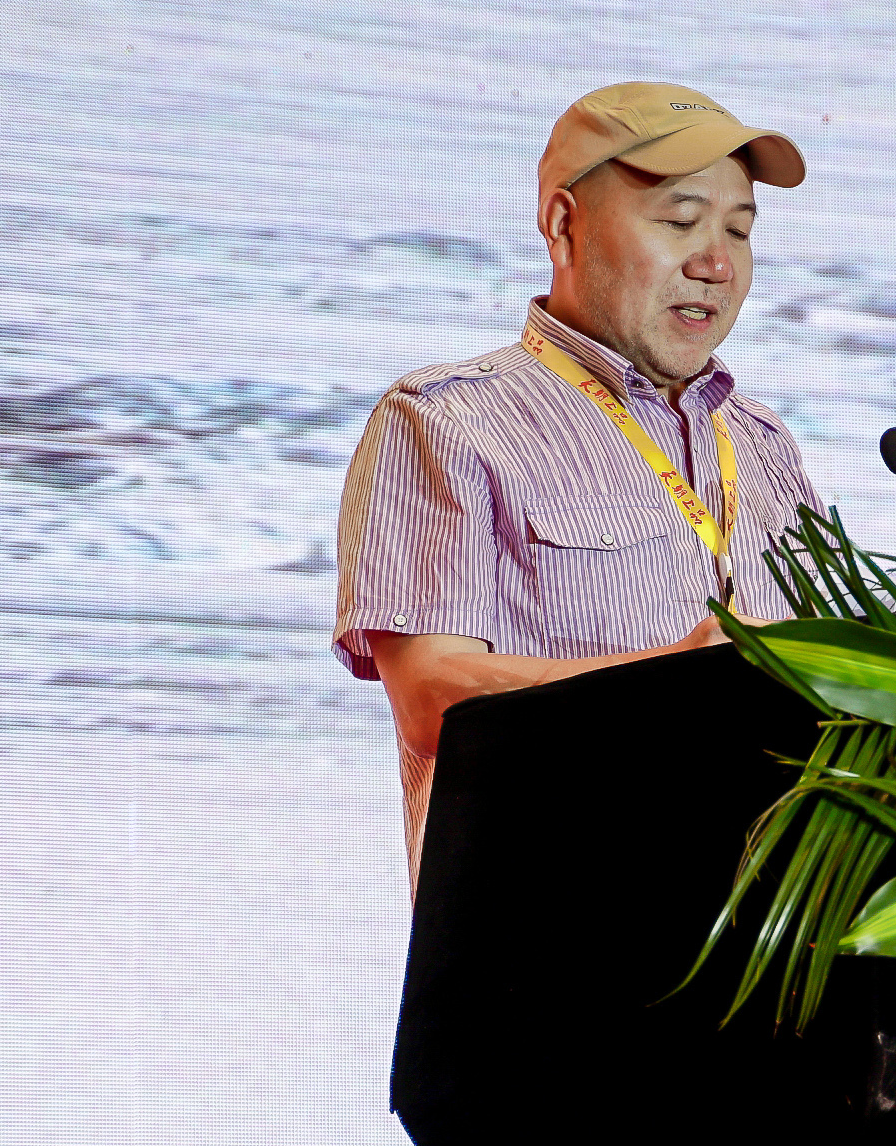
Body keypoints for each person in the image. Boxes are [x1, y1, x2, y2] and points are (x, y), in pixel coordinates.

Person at [331, 82, 822, 873]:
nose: (716, 263)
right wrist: (678, 678)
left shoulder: (764, 445)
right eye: (680, 221)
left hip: (777, 929)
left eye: (739, 230)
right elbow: (431, 700)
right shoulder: (446, 421)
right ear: (564, 225)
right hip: (556, 929)